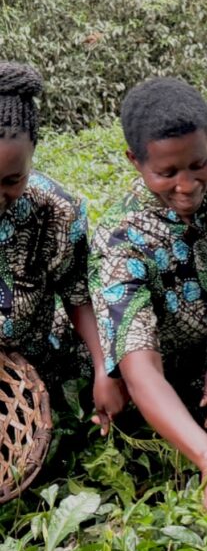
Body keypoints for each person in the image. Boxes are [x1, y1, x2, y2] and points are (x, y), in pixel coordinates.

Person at [90, 78, 207, 514]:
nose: (187, 185)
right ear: (134, 161)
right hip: (147, 399)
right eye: (166, 174)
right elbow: (140, 370)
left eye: (198, 164)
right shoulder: (121, 240)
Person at [0, 61, 125, 429]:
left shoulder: (56, 211)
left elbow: (78, 295)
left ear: (33, 154)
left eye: (12, 180)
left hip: (37, 365)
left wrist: (105, 368)